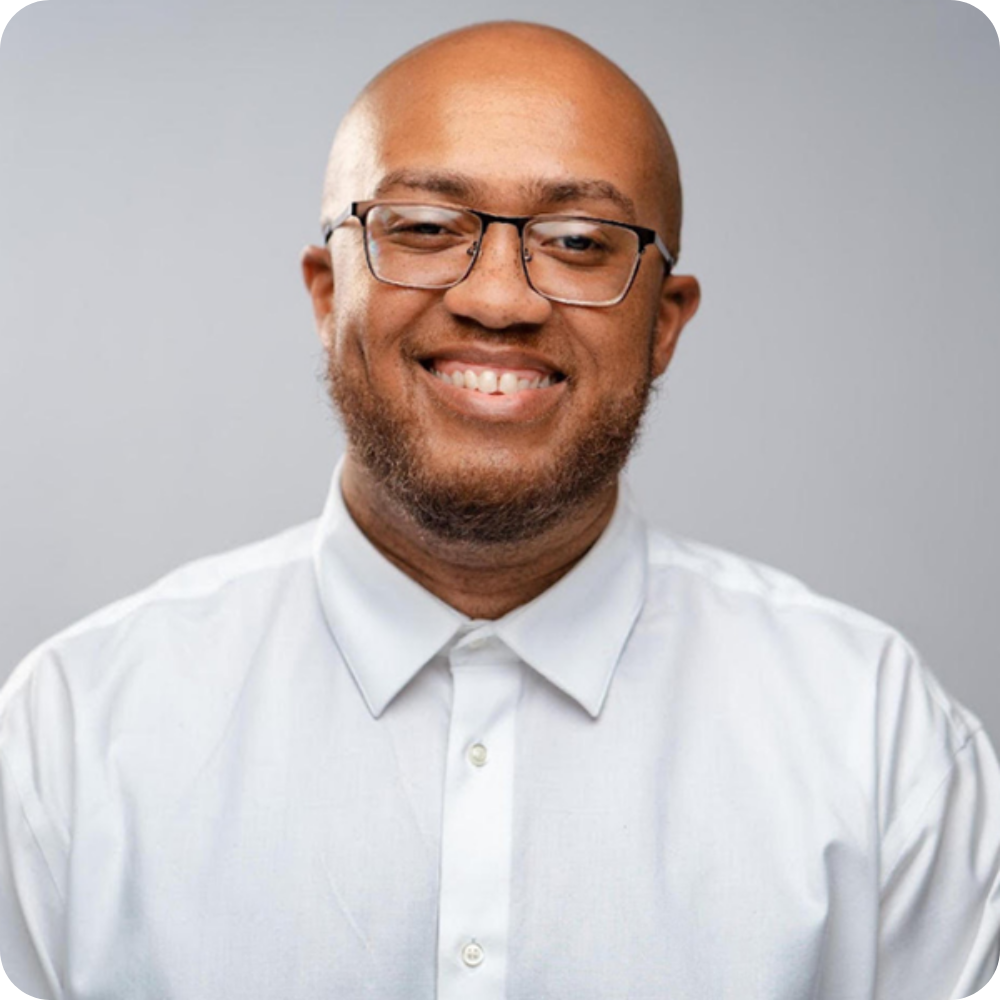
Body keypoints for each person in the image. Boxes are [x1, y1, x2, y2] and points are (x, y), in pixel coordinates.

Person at [1, 20, 997, 999]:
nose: (498, 299)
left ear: (664, 324)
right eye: (426, 228)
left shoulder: (876, 741)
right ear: (327, 292)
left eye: (579, 241)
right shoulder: (73, 738)